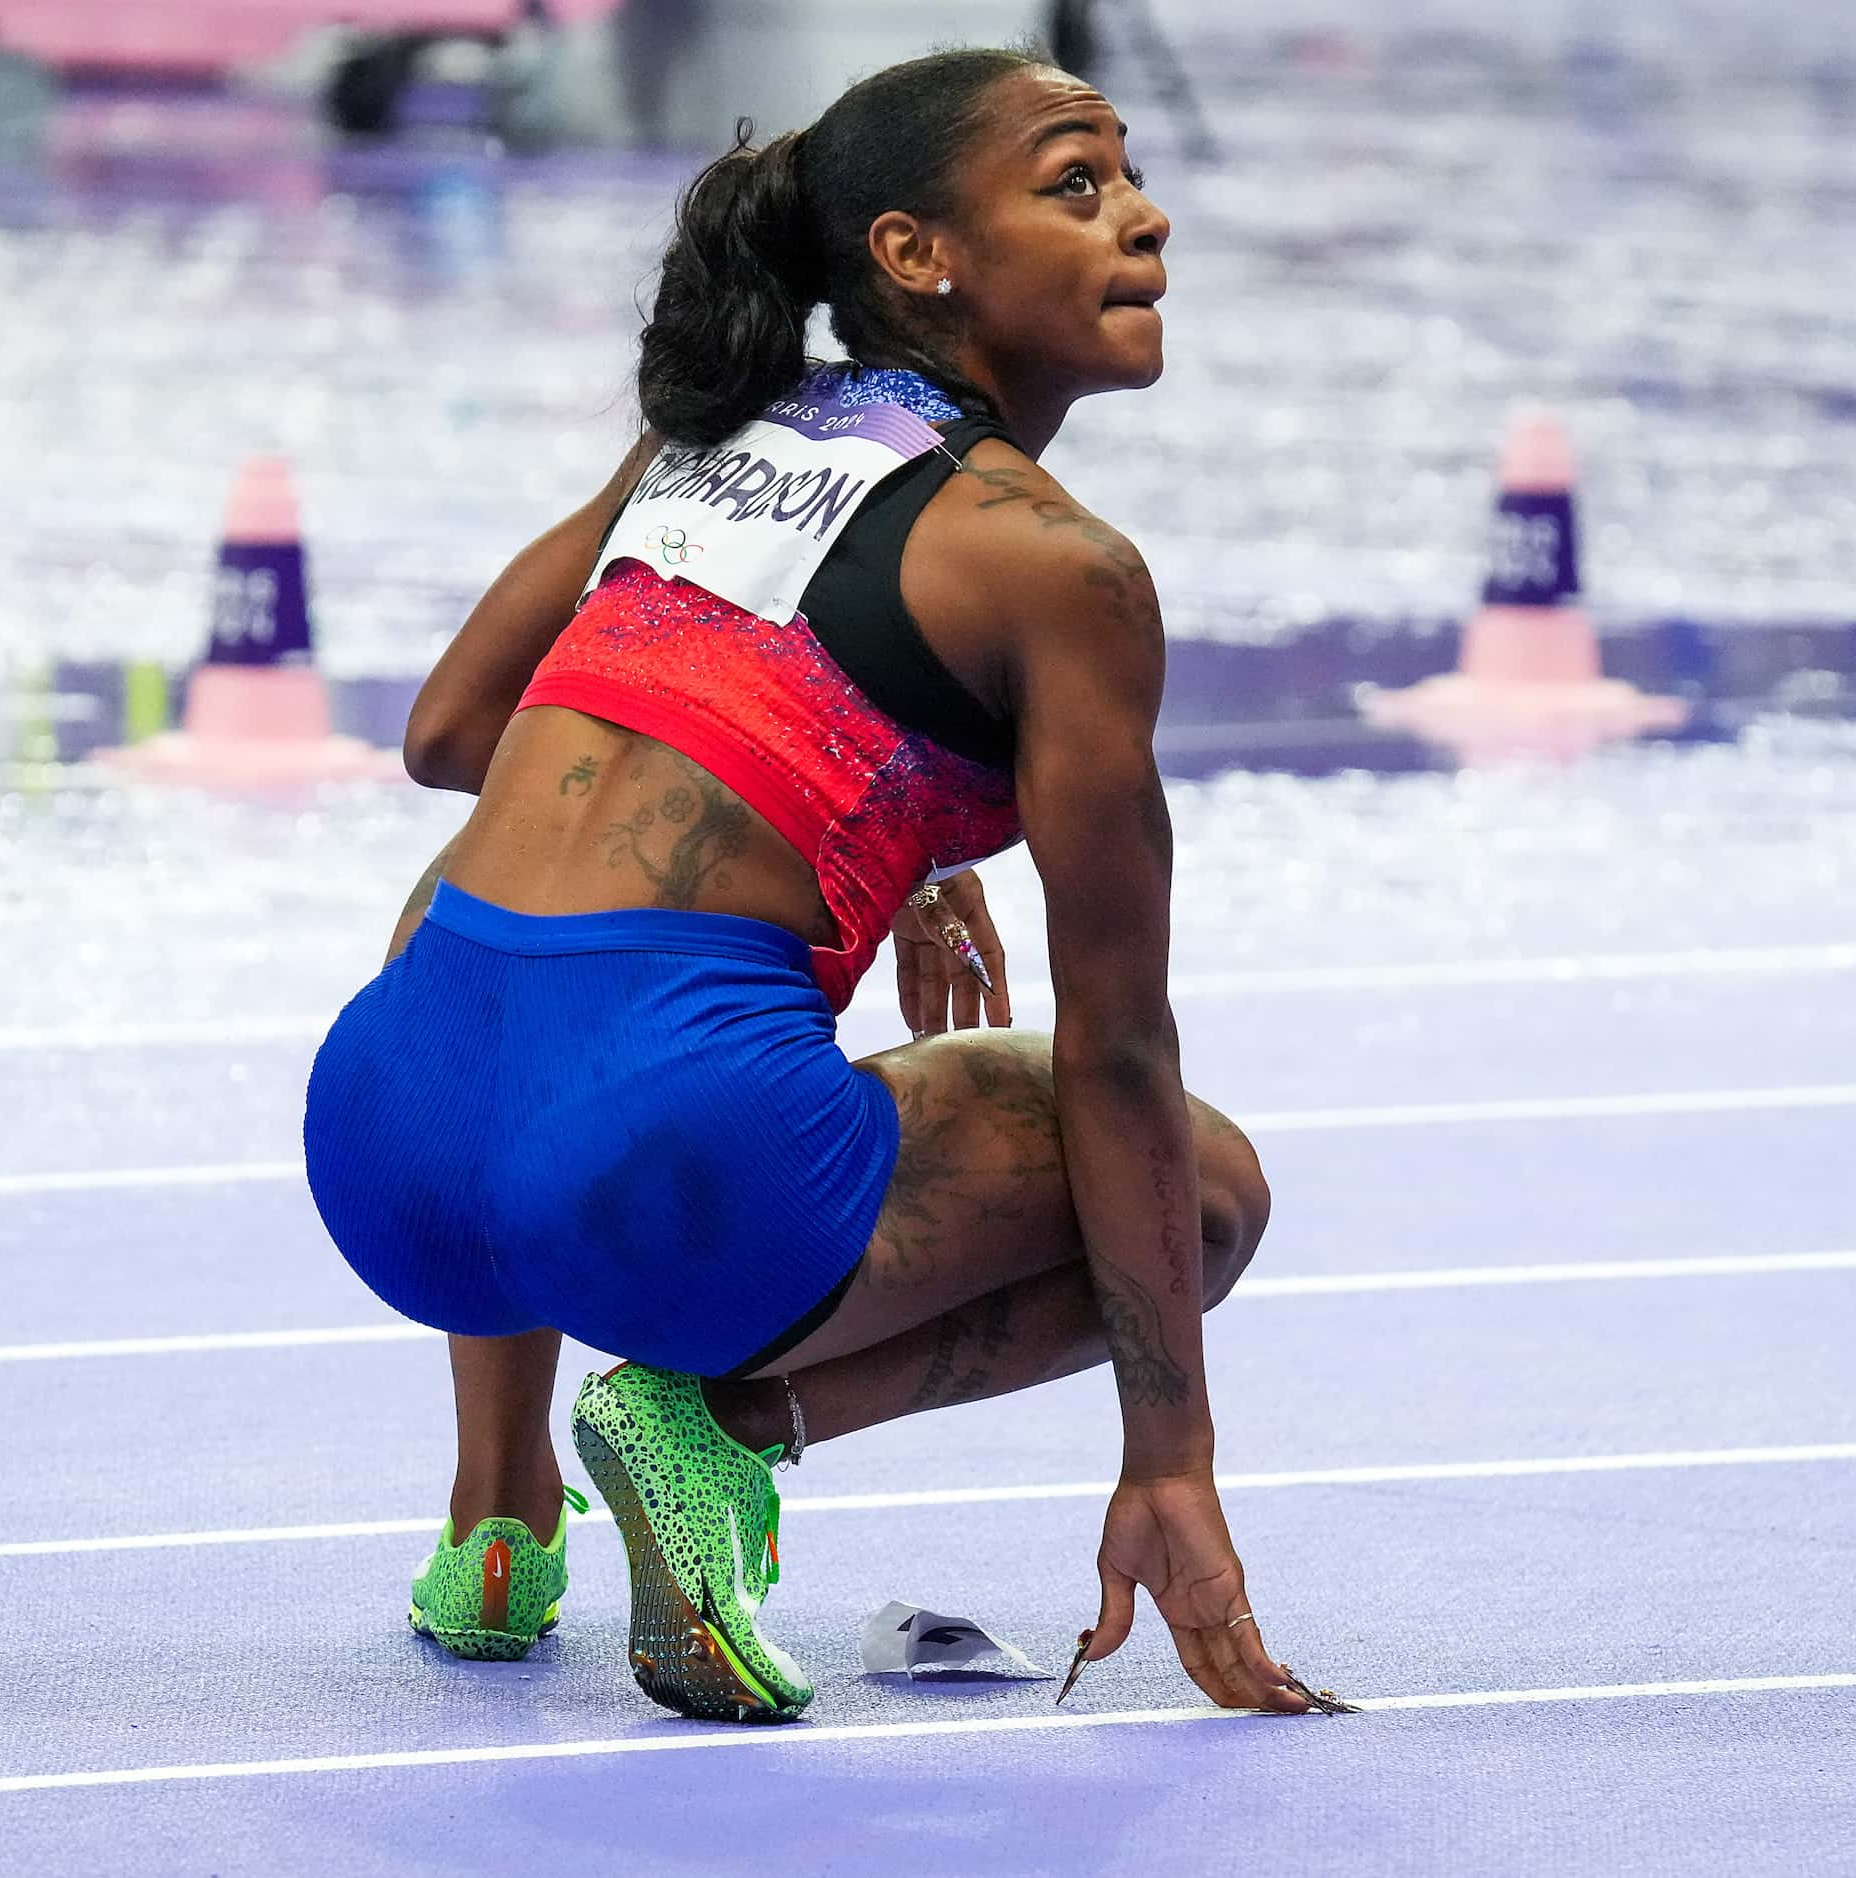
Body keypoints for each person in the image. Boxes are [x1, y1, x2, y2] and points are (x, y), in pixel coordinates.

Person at [303, 47, 1313, 1722]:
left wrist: (849, 820)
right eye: (1079, 185)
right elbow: (1118, 1051)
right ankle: (714, 1426)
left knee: (482, 900)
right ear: (917, 253)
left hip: (385, 1131)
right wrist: (1170, 1458)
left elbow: (455, 732)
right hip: (662, 1166)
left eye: (1130, 176)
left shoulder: (703, 446)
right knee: (1209, 1195)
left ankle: (497, 1518)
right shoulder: (1061, 570)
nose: (1144, 218)